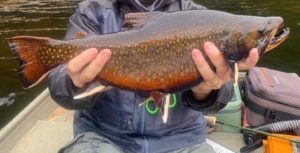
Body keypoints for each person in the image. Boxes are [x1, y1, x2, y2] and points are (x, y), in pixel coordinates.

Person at [48, 0, 259, 152]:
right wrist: (73, 82)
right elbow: (58, 87)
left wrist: (205, 90)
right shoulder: (91, 12)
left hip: (182, 140)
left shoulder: (197, 16)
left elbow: (221, 98)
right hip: (103, 137)